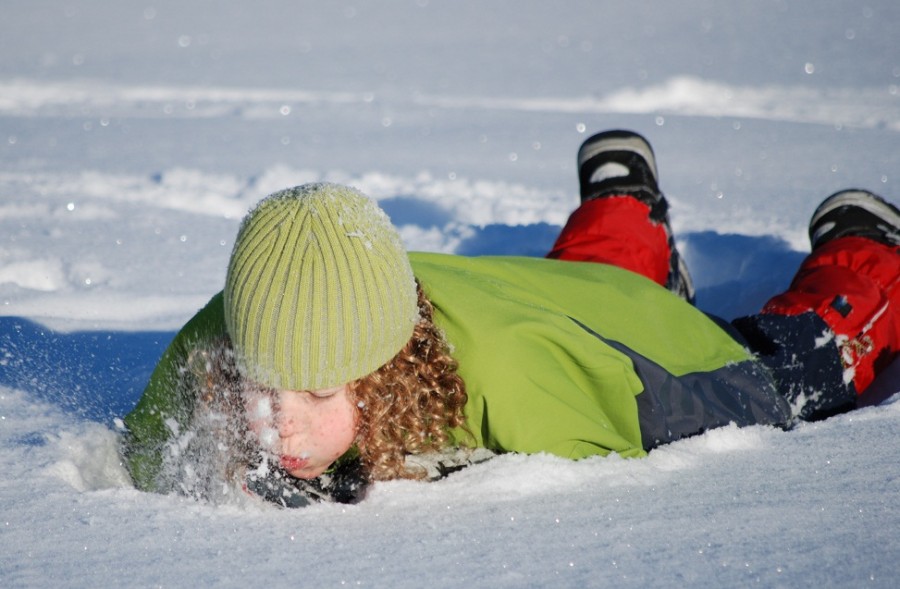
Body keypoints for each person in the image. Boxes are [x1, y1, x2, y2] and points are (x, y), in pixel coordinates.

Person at [122, 130, 900, 507]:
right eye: (264, 391)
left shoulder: (519, 384)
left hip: (626, 366)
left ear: (379, 369)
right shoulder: (240, 322)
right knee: (582, 284)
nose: (279, 427)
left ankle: (866, 262)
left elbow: (622, 476)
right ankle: (621, 211)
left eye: (318, 395)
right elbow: (146, 439)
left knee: (783, 375)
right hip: (539, 293)